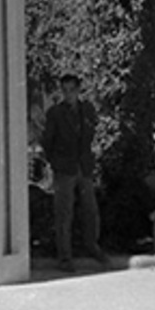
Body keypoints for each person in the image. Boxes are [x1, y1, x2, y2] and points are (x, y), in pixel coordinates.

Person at [42, 73, 109, 271]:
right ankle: (64, 256)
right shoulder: (55, 113)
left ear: (78, 90)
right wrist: (55, 162)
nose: (68, 94)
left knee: (90, 209)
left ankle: (92, 246)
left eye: (72, 90)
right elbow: (48, 141)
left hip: (84, 165)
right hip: (64, 167)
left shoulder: (87, 109)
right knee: (64, 212)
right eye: (65, 91)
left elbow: (93, 132)